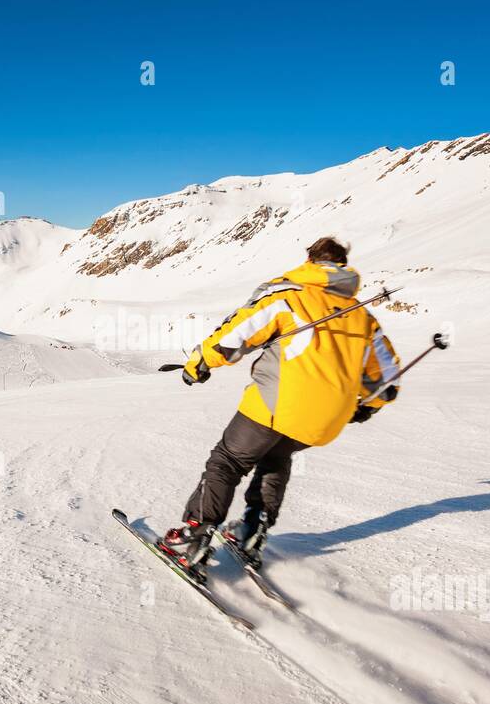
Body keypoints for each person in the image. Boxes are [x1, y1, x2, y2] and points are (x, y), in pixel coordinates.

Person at [162, 237, 402, 581]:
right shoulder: (362, 316)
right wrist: (368, 406)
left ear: (309, 260)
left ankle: (195, 535)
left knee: (228, 461)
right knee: (275, 458)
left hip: (276, 406)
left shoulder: (289, 294)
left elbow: (237, 333)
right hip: (325, 421)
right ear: (344, 265)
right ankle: (253, 530)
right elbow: (387, 378)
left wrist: (200, 361)